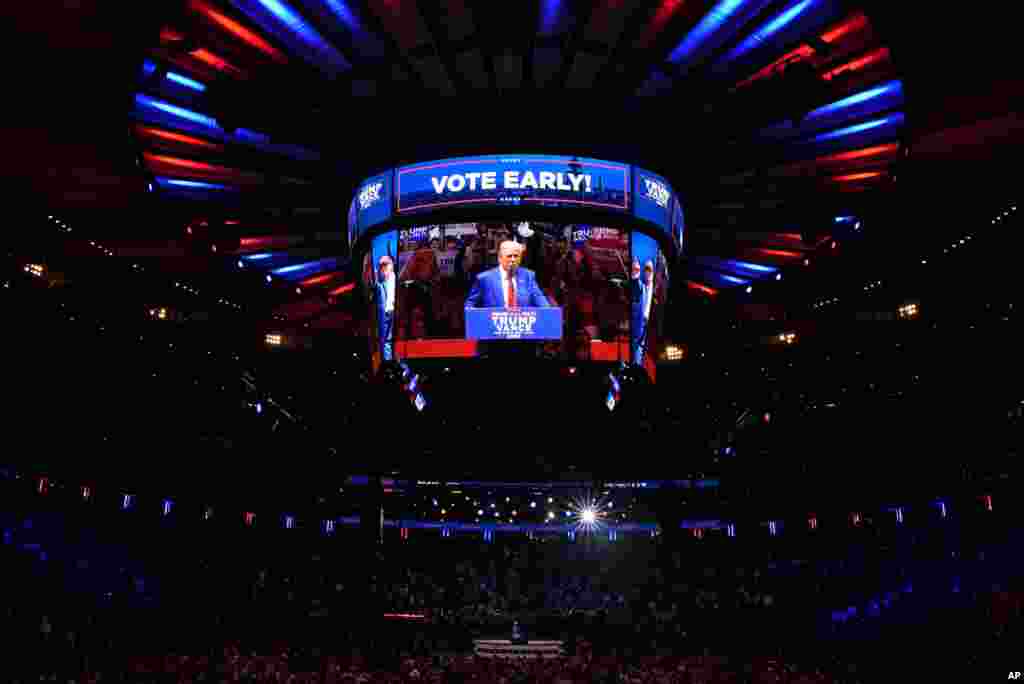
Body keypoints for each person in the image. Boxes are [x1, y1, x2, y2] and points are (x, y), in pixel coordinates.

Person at [465, 241, 550, 309]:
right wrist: (470, 311)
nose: (513, 259)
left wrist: (549, 312)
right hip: (494, 327)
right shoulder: (484, 279)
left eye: (516, 256)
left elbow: (539, 298)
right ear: (500, 258)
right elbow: (471, 302)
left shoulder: (528, 276)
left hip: (522, 326)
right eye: (509, 256)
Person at [630, 259, 655, 366]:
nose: (647, 272)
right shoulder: (642, 287)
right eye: (646, 269)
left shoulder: (658, 288)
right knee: (637, 350)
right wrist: (635, 273)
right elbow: (635, 283)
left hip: (653, 327)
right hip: (640, 324)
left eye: (649, 269)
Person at [376, 255, 396, 361]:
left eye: (385, 264)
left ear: (392, 264)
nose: (383, 267)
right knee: (386, 341)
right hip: (387, 314)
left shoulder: (397, 277)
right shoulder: (380, 284)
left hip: (396, 314)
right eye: (381, 265)